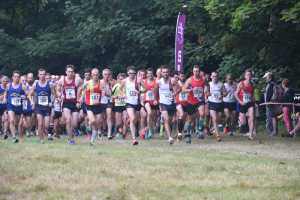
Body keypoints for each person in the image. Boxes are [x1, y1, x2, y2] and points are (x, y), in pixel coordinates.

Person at [78, 68, 110, 146]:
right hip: (89, 106)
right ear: (91, 75)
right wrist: (79, 99)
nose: (95, 76)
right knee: (92, 121)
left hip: (98, 106)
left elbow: (109, 94)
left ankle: (92, 141)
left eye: (96, 75)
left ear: (99, 75)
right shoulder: (87, 83)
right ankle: (89, 124)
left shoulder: (102, 83)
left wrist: (105, 93)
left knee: (97, 125)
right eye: (94, 75)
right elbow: (79, 90)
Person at [118, 65, 147, 145]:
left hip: (137, 103)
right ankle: (134, 138)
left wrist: (140, 92)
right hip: (129, 102)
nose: (132, 74)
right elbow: (119, 89)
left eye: (133, 73)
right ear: (128, 73)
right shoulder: (124, 81)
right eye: (130, 73)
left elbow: (145, 89)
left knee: (135, 121)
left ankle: (129, 122)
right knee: (133, 118)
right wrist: (123, 94)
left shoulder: (139, 79)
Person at [153, 65, 182, 145]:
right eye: (164, 72)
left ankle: (164, 124)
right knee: (166, 119)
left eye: (166, 72)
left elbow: (180, 88)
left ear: (169, 72)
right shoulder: (159, 82)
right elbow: (155, 90)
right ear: (161, 73)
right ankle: (169, 137)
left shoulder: (172, 81)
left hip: (171, 103)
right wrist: (155, 99)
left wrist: (175, 93)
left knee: (169, 121)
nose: (165, 74)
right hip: (163, 103)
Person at [57, 65, 84, 145]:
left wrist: (82, 98)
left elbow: (84, 88)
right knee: (68, 120)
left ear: (74, 72)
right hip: (66, 103)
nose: (70, 73)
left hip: (75, 103)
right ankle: (71, 139)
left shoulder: (78, 80)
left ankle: (70, 134)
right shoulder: (62, 80)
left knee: (75, 125)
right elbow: (57, 91)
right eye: (68, 71)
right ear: (66, 72)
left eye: (72, 71)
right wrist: (60, 96)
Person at [182, 65, 209, 143]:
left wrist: (207, 91)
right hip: (191, 102)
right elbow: (182, 90)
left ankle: (200, 130)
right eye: (194, 71)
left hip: (200, 100)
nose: (195, 73)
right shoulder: (190, 80)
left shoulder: (203, 79)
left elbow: (207, 85)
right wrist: (191, 90)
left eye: (197, 71)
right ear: (192, 71)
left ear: (199, 72)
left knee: (202, 113)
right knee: (190, 120)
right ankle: (188, 135)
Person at [29, 69, 56, 144]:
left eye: (43, 74)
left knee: (47, 125)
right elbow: (29, 94)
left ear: (45, 75)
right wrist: (32, 102)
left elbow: (54, 94)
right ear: (38, 75)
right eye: (40, 74)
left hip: (47, 106)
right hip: (39, 106)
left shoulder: (50, 84)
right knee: (40, 123)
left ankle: (44, 132)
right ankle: (41, 140)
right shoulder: (35, 84)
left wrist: (52, 102)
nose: (42, 76)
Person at [3, 70, 31, 143]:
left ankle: (19, 135)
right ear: (12, 77)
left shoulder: (23, 86)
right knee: (11, 120)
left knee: (17, 123)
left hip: (19, 107)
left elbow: (29, 95)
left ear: (19, 78)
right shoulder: (9, 85)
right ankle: (14, 137)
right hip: (10, 106)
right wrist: (4, 99)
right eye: (15, 77)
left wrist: (27, 98)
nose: (16, 78)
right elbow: (6, 92)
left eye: (18, 77)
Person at [234, 69, 258, 141]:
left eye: (250, 75)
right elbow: (235, 94)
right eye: (248, 75)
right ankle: (239, 119)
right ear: (245, 76)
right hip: (242, 103)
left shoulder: (253, 85)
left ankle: (251, 135)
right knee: (243, 122)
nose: (249, 76)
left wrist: (255, 102)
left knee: (252, 117)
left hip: (250, 103)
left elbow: (252, 95)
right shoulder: (241, 83)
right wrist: (240, 101)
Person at [207, 71, 228, 141]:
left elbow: (226, 93)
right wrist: (206, 97)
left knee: (218, 121)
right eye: (213, 76)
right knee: (215, 119)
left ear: (217, 77)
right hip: (212, 103)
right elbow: (205, 93)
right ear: (211, 77)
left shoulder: (221, 84)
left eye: (216, 76)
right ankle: (218, 135)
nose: (214, 78)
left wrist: (222, 96)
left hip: (219, 103)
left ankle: (214, 126)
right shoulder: (208, 84)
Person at [143, 68, 159, 139]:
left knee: (153, 118)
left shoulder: (157, 81)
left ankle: (147, 129)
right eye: (149, 73)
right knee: (149, 113)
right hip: (146, 101)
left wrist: (156, 91)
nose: (150, 74)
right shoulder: (144, 81)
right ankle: (149, 130)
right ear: (146, 75)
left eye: (151, 73)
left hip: (154, 101)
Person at [100, 69, 115, 139]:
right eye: (105, 74)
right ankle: (99, 131)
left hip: (109, 101)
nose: (107, 76)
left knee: (109, 116)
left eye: (108, 74)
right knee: (101, 119)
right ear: (103, 75)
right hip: (101, 102)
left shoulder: (111, 83)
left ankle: (109, 133)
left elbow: (111, 93)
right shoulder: (99, 82)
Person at [112, 73, 127, 140]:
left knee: (125, 121)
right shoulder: (116, 86)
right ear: (118, 79)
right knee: (119, 122)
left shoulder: (127, 86)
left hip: (125, 105)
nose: (122, 80)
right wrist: (118, 97)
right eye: (120, 79)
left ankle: (124, 135)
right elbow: (111, 96)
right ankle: (118, 127)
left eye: (123, 79)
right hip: (118, 105)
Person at [175, 70, 188, 140]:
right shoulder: (176, 84)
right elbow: (181, 90)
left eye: (183, 76)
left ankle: (179, 133)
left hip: (186, 103)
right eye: (181, 76)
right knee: (181, 114)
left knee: (183, 120)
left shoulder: (187, 84)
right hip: (178, 102)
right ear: (178, 76)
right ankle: (179, 133)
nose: (182, 77)